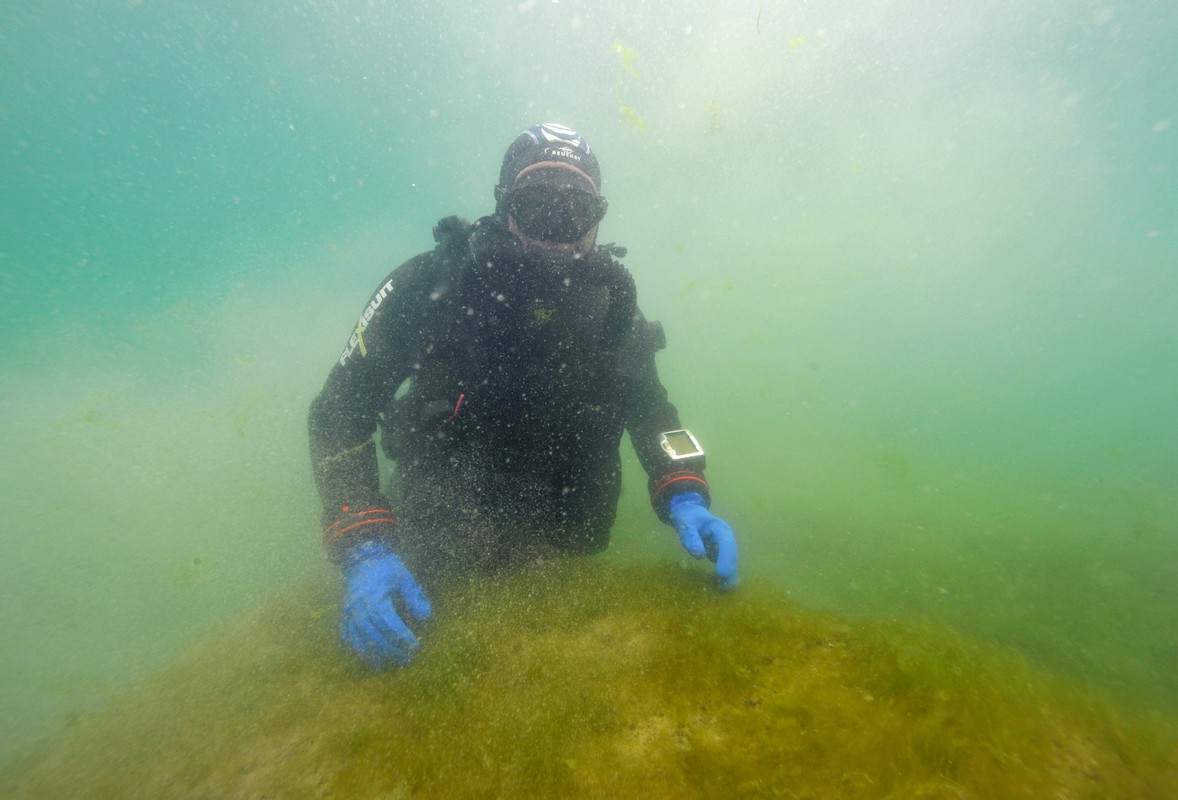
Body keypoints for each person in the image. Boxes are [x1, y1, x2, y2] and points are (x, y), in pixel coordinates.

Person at [308, 122, 738, 669]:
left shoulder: (610, 304)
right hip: (438, 544)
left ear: (597, 219)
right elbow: (337, 413)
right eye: (537, 207)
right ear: (504, 206)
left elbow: (653, 410)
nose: (556, 231)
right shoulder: (429, 285)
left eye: (575, 212)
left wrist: (686, 492)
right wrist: (363, 543)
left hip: (567, 538)